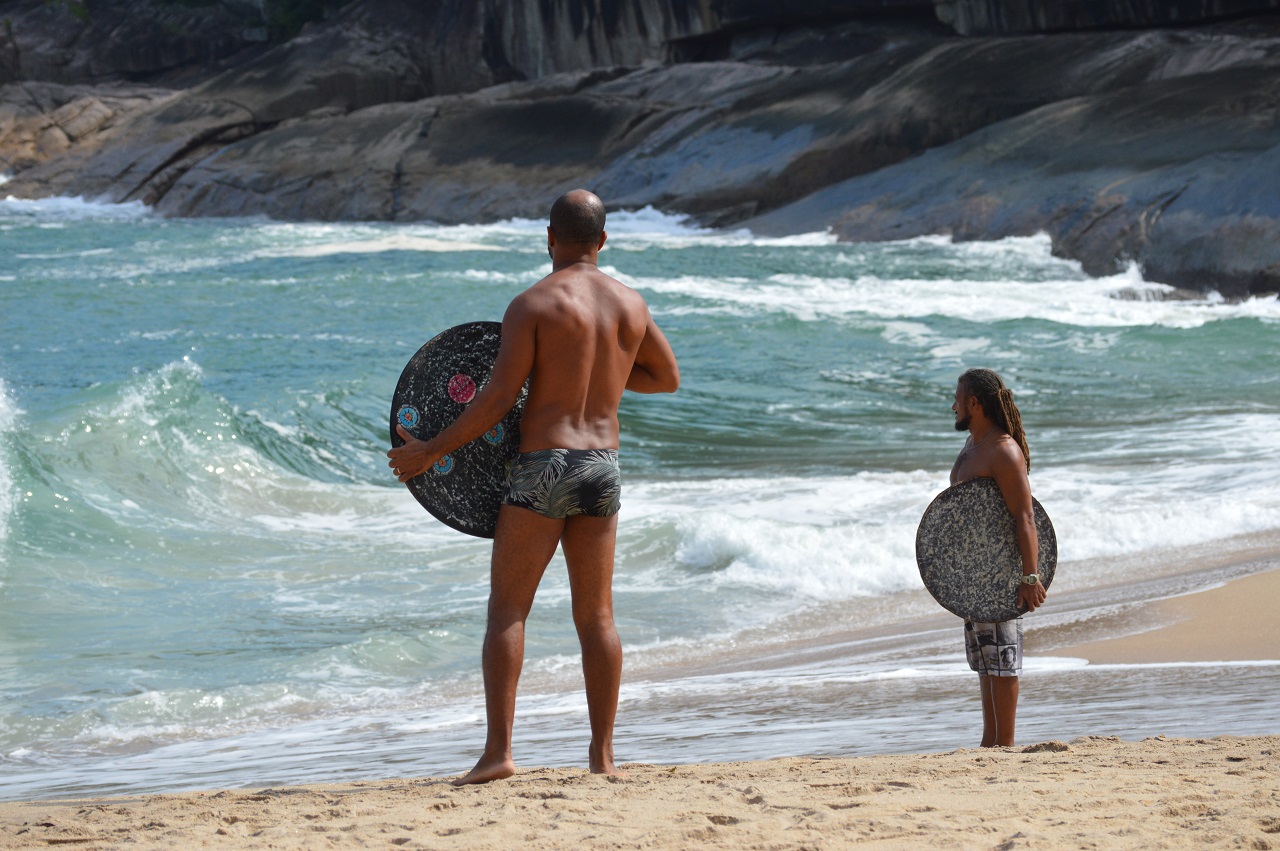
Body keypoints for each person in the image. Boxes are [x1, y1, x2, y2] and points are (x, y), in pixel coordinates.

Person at [386, 189, 680, 785]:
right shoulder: (631, 304)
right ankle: (602, 758)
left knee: (509, 612)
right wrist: (608, 381)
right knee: (597, 617)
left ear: (549, 237)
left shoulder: (533, 304)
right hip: (602, 465)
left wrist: (429, 451)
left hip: (544, 465)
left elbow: (496, 401)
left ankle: (499, 755)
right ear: (602, 241)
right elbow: (666, 378)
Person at [949, 367, 1045, 747]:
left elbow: (1025, 517)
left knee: (1003, 661)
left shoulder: (1003, 450)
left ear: (974, 403)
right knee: (984, 660)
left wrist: (1030, 577)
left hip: (1002, 574)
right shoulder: (974, 444)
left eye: (957, 399)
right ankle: (990, 742)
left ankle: (1005, 744)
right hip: (976, 574)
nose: (952, 406)